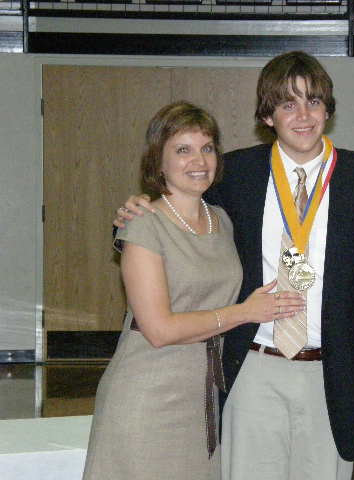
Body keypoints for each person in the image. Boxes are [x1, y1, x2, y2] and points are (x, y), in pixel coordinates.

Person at [114, 52, 354, 480]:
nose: (303, 115)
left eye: (313, 102)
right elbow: (178, 218)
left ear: (328, 111)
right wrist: (134, 211)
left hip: (332, 375)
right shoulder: (234, 175)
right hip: (252, 365)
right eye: (288, 104)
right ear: (268, 115)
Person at [84, 101, 304, 480]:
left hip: (201, 400)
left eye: (206, 148)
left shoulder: (220, 219)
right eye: (182, 150)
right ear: (159, 162)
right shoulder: (143, 225)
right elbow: (159, 330)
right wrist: (245, 312)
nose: (198, 160)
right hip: (146, 397)